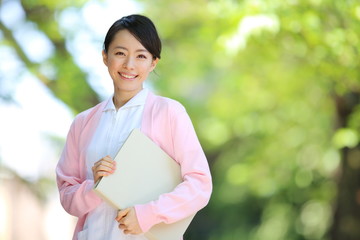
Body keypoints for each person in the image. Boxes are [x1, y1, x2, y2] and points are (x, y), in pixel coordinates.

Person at [56, 14, 212, 240]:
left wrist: (148, 214)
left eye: (141, 55)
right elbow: (67, 196)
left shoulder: (168, 113)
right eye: (120, 53)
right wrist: (95, 186)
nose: (129, 65)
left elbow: (199, 185)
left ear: (153, 62)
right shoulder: (83, 123)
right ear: (105, 56)